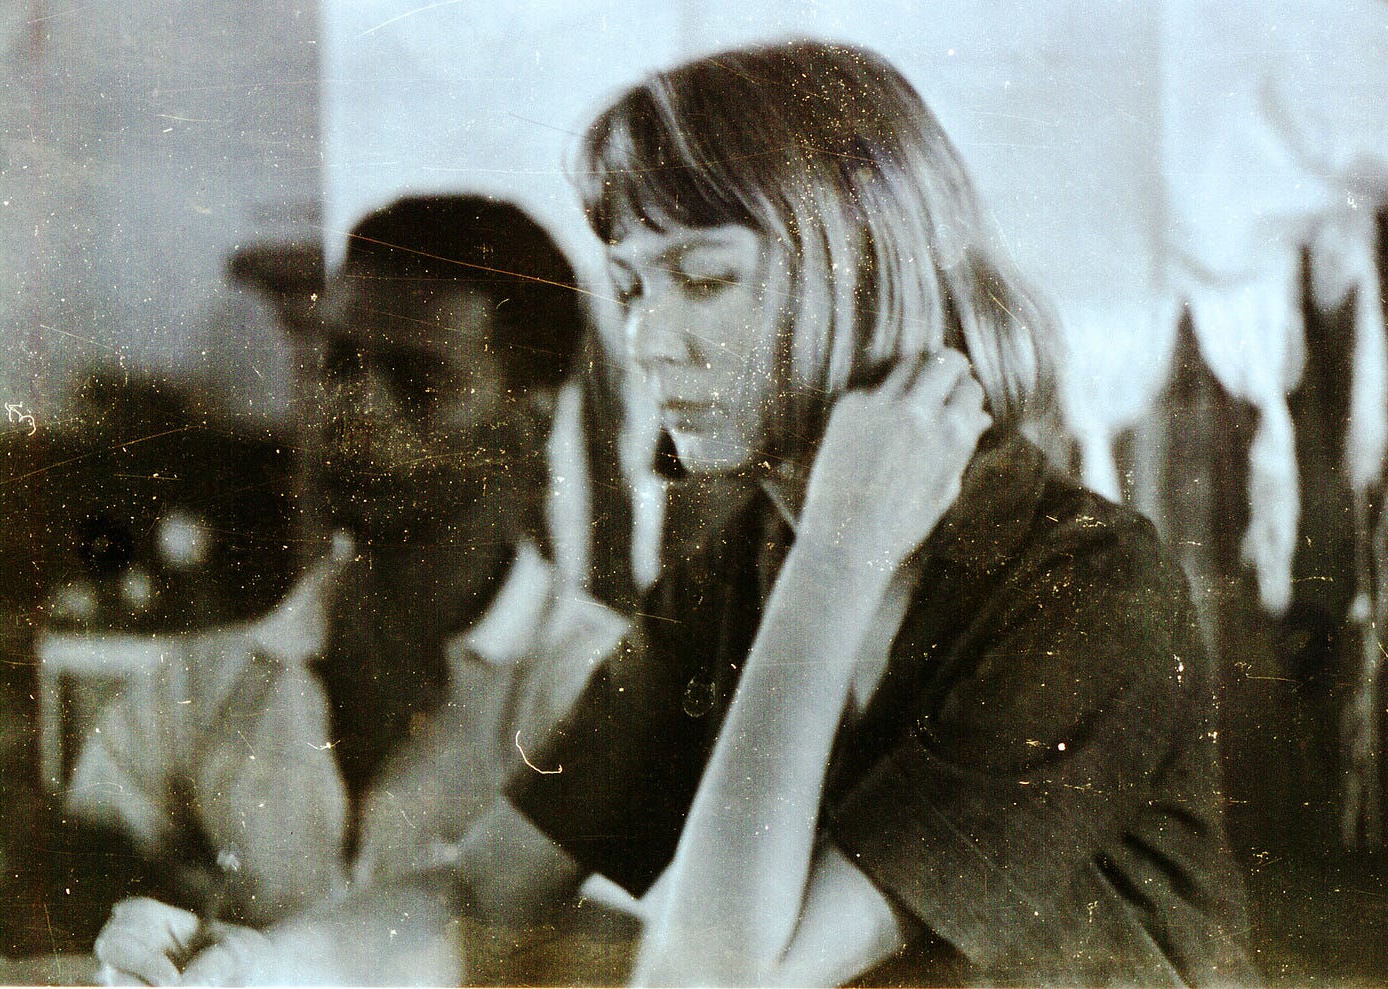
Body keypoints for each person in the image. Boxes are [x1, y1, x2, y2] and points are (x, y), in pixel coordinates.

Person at [98, 41, 1255, 986]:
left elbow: (711, 979)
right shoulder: (746, 560)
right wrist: (262, 963)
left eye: (703, 280)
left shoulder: (1087, 588)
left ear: (860, 273)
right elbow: (482, 888)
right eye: (635, 285)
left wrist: (839, 553)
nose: (651, 342)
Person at [80, 195, 634, 977]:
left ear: (528, 421)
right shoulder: (197, 691)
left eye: (417, 379)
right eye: (339, 363)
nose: (353, 408)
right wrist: (129, 931)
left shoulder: (601, 690)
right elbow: (68, 900)